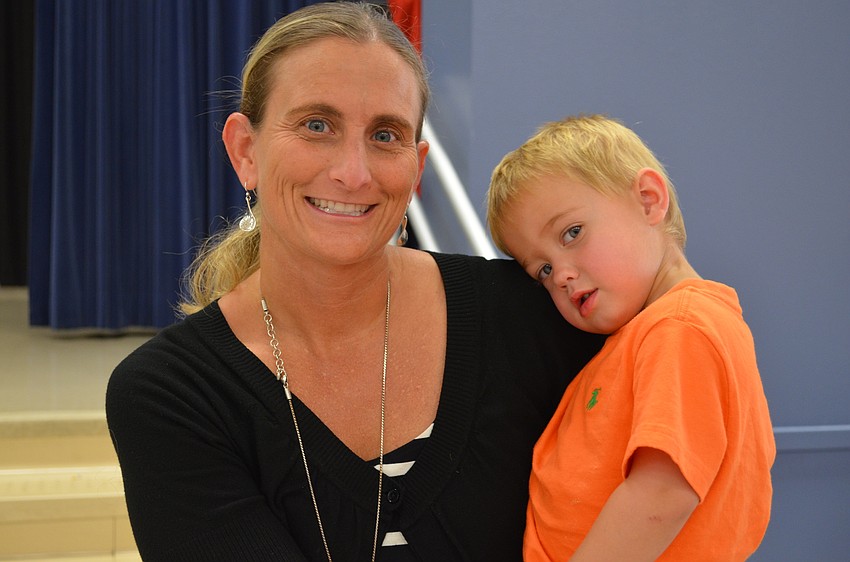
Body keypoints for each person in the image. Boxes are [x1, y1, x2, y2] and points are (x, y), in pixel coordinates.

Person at [105, 4, 603, 561]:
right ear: (245, 150)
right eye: (317, 125)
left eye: (385, 134)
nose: (354, 172)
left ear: (416, 170)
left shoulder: (531, 318)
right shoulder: (171, 395)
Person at [486, 114, 776, 561]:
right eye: (541, 269)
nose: (560, 274)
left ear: (648, 200)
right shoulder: (647, 334)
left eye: (572, 233)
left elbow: (661, 495)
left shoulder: (680, 327)